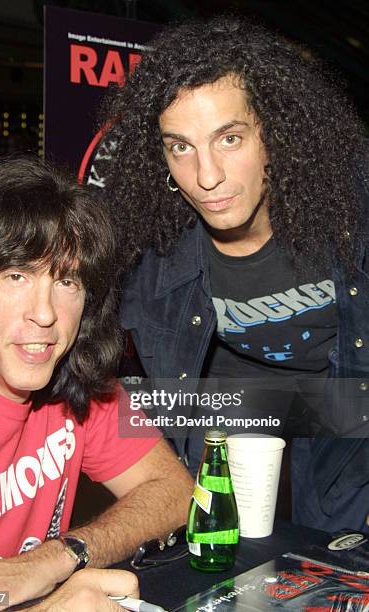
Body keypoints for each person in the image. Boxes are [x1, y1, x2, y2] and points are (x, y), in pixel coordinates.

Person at [97, 15, 369, 532]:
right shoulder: (151, 253)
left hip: (351, 396)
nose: (207, 176)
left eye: (229, 138)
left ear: (276, 132)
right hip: (236, 399)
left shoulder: (350, 207)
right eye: (180, 146)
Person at [0, 156, 193, 609]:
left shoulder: (78, 380)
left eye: (67, 282)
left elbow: (175, 493)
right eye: (16, 276)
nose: (45, 314)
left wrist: (60, 556)